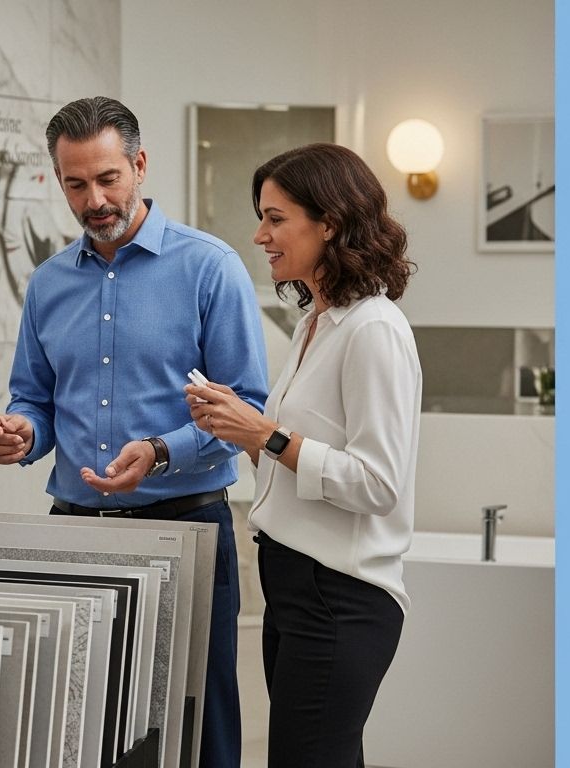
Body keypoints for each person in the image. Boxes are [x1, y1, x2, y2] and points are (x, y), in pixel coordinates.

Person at [0, 96, 268, 768]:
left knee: (200, 719)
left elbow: (246, 405)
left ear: (139, 165)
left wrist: (162, 452)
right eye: (75, 184)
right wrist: (21, 431)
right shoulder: (49, 284)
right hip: (75, 531)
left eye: (108, 178)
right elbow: (34, 397)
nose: (94, 199)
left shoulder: (210, 267)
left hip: (188, 524)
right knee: (82, 725)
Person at [185, 142, 420, 768]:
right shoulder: (318, 320)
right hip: (296, 582)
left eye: (275, 217)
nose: (259, 235)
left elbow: (377, 485)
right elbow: (301, 469)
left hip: (339, 593)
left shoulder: (372, 328)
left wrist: (266, 435)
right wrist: (242, 430)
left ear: (331, 222)